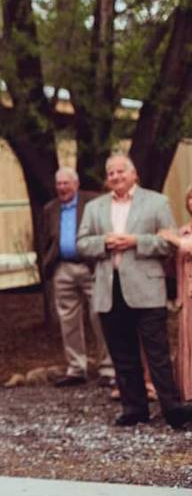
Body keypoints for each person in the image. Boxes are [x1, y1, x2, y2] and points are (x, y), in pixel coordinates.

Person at [76, 153, 192, 429]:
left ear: (134, 174)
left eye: (120, 172)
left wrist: (135, 241)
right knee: (122, 351)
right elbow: (81, 243)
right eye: (111, 172)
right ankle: (134, 407)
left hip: (146, 287)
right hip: (109, 287)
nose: (115, 176)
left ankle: (173, 409)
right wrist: (104, 242)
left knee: (157, 352)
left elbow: (168, 243)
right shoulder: (95, 208)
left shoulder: (156, 202)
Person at [41, 167, 115, 388]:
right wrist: (48, 263)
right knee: (68, 319)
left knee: (100, 315)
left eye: (67, 183)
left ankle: (108, 368)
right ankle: (76, 368)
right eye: (59, 184)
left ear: (76, 184)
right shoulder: (50, 208)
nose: (62, 188)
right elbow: (45, 238)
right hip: (62, 268)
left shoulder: (93, 203)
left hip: (90, 266)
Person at [158, 185, 192, 402]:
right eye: (191, 198)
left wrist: (176, 242)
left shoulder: (180, 237)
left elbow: (186, 247)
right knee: (188, 342)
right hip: (187, 296)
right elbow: (172, 267)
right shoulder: (183, 230)